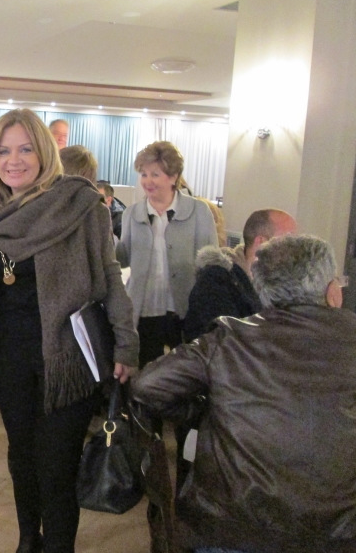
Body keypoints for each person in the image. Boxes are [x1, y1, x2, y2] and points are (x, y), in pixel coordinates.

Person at [0, 109, 138, 553]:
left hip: (66, 359)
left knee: (57, 467)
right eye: (4, 151)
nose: (14, 160)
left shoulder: (80, 205)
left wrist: (126, 344)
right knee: (21, 457)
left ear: (44, 152)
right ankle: (28, 539)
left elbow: (110, 278)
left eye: (25, 149)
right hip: (9, 357)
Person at [132, 234, 356, 553]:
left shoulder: (229, 339)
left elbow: (147, 385)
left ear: (261, 292)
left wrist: (207, 411)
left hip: (232, 528)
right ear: (332, 292)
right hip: (336, 534)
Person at [116, 141, 217, 369]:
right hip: (144, 309)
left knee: (185, 371)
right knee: (146, 372)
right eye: (143, 174)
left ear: (173, 177)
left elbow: (210, 262)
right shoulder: (132, 213)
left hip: (184, 308)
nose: (147, 181)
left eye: (155, 174)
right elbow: (123, 258)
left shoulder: (198, 211)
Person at [183, 208, 296, 342]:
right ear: (261, 243)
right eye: (288, 241)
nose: (294, 251)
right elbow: (223, 341)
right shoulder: (217, 281)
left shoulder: (283, 284)